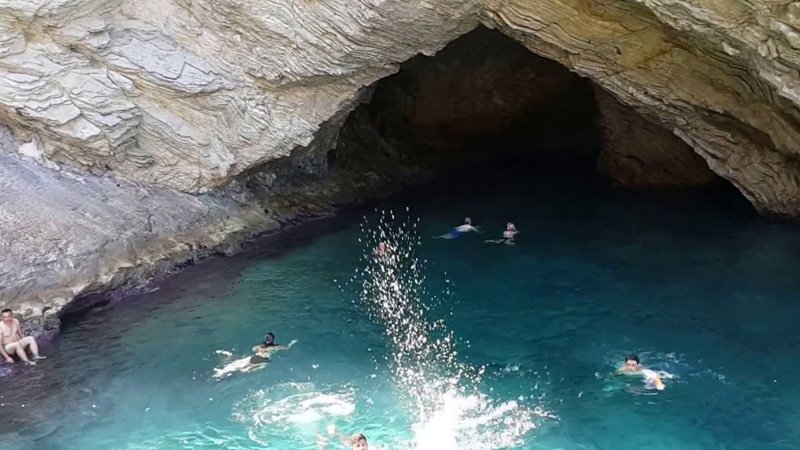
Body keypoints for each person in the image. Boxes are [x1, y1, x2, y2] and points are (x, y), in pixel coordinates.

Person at [212, 332, 296, 379]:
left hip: (257, 358)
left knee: (239, 367)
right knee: (242, 368)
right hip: (261, 359)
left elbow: (253, 349)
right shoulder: (273, 347)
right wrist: (292, 343)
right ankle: (222, 373)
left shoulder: (264, 346)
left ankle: (221, 373)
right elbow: (287, 348)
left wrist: (262, 348)